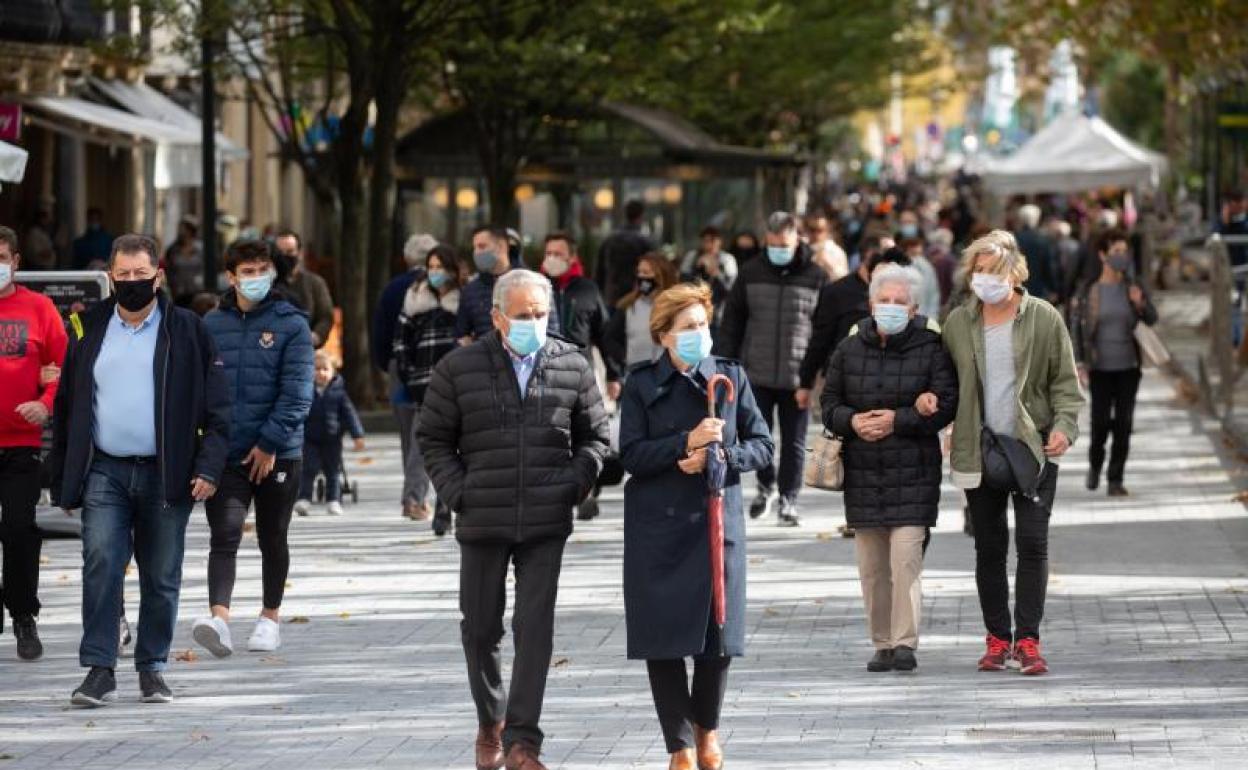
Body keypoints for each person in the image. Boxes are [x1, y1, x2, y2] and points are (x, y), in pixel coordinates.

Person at [418, 269, 610, 770]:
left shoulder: (571, 362)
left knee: (534, 628)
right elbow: (433, 438)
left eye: (542, 315)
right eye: (524, 316)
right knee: (480, 629)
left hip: (547, 518)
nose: (534, 323)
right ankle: (491, 722)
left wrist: (574, 484)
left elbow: (597, 437)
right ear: (498, 316)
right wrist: (459, 491)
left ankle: (524, 742)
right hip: (483, 516)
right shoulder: (459, 367)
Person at [50, 233, 230, 706]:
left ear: (159, 276)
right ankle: (99, 668)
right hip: (104, 471)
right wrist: (63, 482)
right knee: (102, 563)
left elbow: (219, 410)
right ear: (110, 276)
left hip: (167, 473)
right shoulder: (87, 327)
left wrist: (209, 468)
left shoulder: (188, 330)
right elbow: (68, 406)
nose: (131, 283)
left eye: (140, 275)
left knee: (161, 573)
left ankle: (152, 667)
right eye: (122, 275)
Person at [619, 283, 773, 770]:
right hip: (658, 526)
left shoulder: (729, 376)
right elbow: (631, 454)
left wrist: (723, 455)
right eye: (687, 328)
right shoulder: (641, 384)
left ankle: (707, 730)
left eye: (703, 325)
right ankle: (679, 745)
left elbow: (763, 444)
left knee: (717, 636)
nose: (698, 335)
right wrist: (681, 446)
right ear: (664, 335)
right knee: (661, 638)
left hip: (714, 518)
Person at [943, 230, 1084, 676]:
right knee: (989, 546)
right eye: (978, 271)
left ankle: (1028, 639)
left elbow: (1066, 384)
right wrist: (941, 418)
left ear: (1015, 273)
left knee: (1032, 543)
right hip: (979, 450)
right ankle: (997, 637)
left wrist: (1064, 428)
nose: (985, 279)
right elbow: (944, 384)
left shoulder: (1044, 318)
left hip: (1033, 449)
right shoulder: (959, 323)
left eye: (994, 270)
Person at [820, 265, 957, 673]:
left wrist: (900, 419)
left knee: (905, 559)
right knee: (873, 569)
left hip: (913, 472)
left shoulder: (931, 346)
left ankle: (905, 642)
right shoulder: (849, 349)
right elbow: (829, 404)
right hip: (864, 472)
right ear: (871, 304)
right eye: (886, 301)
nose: (892, 308)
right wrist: (853, 422)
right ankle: (881, 644)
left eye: (901, 303)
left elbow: (947, 401)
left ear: (914, 309)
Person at [194, 239, 314, 658]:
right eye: (247, 271)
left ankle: (269, 618)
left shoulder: (292, 324)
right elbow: (200, 391)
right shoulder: (210, 324)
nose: (256, 278)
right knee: (223, 533)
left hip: (279, 452)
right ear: (231, 276)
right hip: (227, 452)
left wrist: (269, 443)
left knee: (272, 535)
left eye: (262, 269)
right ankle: (219, 621)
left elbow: (298, 392)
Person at [715, 211, 826, 527]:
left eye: (785, 243)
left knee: (794, 441)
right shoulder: (751, 272)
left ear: (797, 239)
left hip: (798, 376)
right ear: (767, 240)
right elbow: (732, 322)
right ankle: (767, 486)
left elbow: (822, 328)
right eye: (774, 243)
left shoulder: (816, 276)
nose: (779, 248)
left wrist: (817, 373)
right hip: (756, 375)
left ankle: (789, 499)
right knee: (757, 436)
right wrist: (725, 365)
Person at [0, 225, 68, 660]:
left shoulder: (40, 309)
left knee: (19, 530)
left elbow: (63, 367)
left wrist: (45, 403)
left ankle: (24, 615)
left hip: (21, 446)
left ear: (16, 261)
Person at [1068, 229, 1158, 497]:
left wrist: (1139, 304)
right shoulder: (1089, 291)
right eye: (1116, 252)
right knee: (1099, 424)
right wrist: (1080, 362)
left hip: (1129, 367)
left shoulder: (1134, 286)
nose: (1122, 257)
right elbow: (1077, 329)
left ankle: (1115, 478)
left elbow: (1153, 319)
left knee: (1123, 424)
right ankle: (1095, 464)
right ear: (1103, 255)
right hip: (1100, 368)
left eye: (1124, 251)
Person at [541, 233, 615, 521]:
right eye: (548, 252)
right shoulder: (535, 287)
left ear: (571, 257)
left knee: (584, 432)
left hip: (580, 371)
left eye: (558, 253)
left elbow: (603, 335)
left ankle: (585, 490)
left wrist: (614, 374)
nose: (551, 258)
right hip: (544, 372)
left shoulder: (587, 290)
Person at [392, 244, 462, 529]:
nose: (434, 273)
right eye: (430, 267)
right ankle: (414, 499)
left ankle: (449, 500)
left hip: (458, 383)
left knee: (457, 445)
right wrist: (409, 373)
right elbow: (400, 340)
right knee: (421, 445)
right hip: (424, 383)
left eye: (440, 267)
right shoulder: (416, 299)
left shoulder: (462, 300)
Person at [798, 239, 908, 414]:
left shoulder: (904, 294)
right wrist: (805, 382)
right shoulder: (837, 292)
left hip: (894, 380)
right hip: (847, 381)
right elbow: (820, 340)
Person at [372, 232, 436, 520]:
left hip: (400, 366)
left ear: (408, 257)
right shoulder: (437, 287)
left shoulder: (392, 288)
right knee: (424, 433)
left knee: (409, 433)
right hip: (430, 365)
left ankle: (414, 495)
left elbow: (381, 332)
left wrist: (387, 364)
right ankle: (415, 498)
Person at [458, 225, 563, 343]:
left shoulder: (535, 285)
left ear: (502, 246)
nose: (477, 252)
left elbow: (552, 332)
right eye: (475, 248)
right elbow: (462, 335)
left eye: (482, 246)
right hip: (485, 359)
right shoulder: (471, 290)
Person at [602, 252, 679, 401]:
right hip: (636, 377)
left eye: (646, 272)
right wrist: (624, 359)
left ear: (660, 275)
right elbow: (610, 339)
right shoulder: (628, 306)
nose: (641, 277)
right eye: (639, 272)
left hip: (670, 379)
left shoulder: (674, 306)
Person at [295, 352, 365, 517]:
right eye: (316, 369)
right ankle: (304, 498)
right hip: (310, 439)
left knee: (333, 471)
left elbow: (350, 414)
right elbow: (298, 413)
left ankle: (333, 499)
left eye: (325, 369)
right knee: (308, 468)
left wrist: (357, 435)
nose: (321, 373)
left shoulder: (338, 392)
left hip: (332, 439)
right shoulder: (305, 391)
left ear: (333, 372)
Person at [275, 230, 334, 349]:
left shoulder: (315, 283)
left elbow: (325, 316)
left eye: (290, 251)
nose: (285, 256)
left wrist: (314, 337)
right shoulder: (269, 284)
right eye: (280, 253)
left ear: (300, 253)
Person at [679, 226, 737, 342]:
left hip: (718, 315)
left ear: (720, 242)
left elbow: (731, 290)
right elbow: (683, 284)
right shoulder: (692, 257)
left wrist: (717, 274)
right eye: (706, 241)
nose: (710, 245)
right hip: (694, 312)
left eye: (713, 241)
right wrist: (697, 269)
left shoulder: (727, 259)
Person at [596, 200, 657, 308]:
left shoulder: (610, 240)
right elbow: (654, 273)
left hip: (612, 296)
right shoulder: (644, 242)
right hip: (636, 296)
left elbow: (600, 272)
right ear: (641, 216)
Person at [1014, 204, 1058, 303]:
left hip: (1017, 290)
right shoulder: (1043, 240)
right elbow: (1049, 267)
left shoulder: (1013, 239)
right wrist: (1053, 288)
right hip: (1038, 290)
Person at [164, 215, 205, 301]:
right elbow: (168, 269)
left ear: (191, 230)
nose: (181, 232)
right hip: (178, 293)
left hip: (198, 292)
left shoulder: (200, 248)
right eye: (180, 228)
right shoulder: (173, 249)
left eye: (184, 229)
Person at [901, 236, 942, 320]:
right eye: (912, 246)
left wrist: (932, 318)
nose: (915, 249)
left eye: (916, 245)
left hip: (923, 316)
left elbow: (933, 294)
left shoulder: (926, 266)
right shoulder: (899, 265)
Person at [805, 212, 850, 281]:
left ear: (827, 230)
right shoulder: (803, 248)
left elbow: (844, 279)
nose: (815, 234)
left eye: (820, 230)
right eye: (812, 229)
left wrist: (828, 263)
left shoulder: (836, 252)